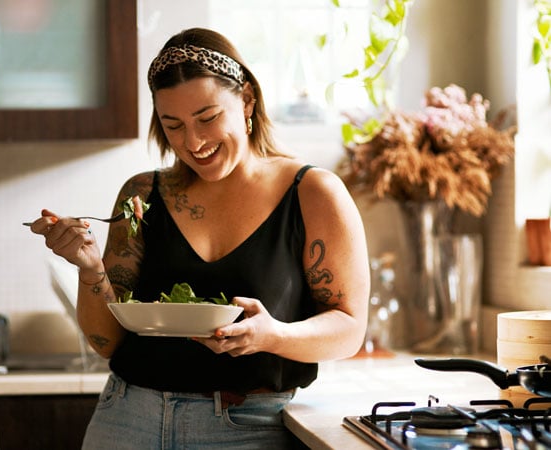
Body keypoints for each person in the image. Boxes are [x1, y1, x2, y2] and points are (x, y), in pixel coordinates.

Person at [28, 27, 370, 450]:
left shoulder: (313, 193)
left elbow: (350, 329)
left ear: (247, 99)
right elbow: (107, 342)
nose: (193, 142)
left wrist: (271, 335)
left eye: (208, 118)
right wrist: (89, 267)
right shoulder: (142, 195)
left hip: (249, 429)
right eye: (174, 126)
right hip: (126, 419)